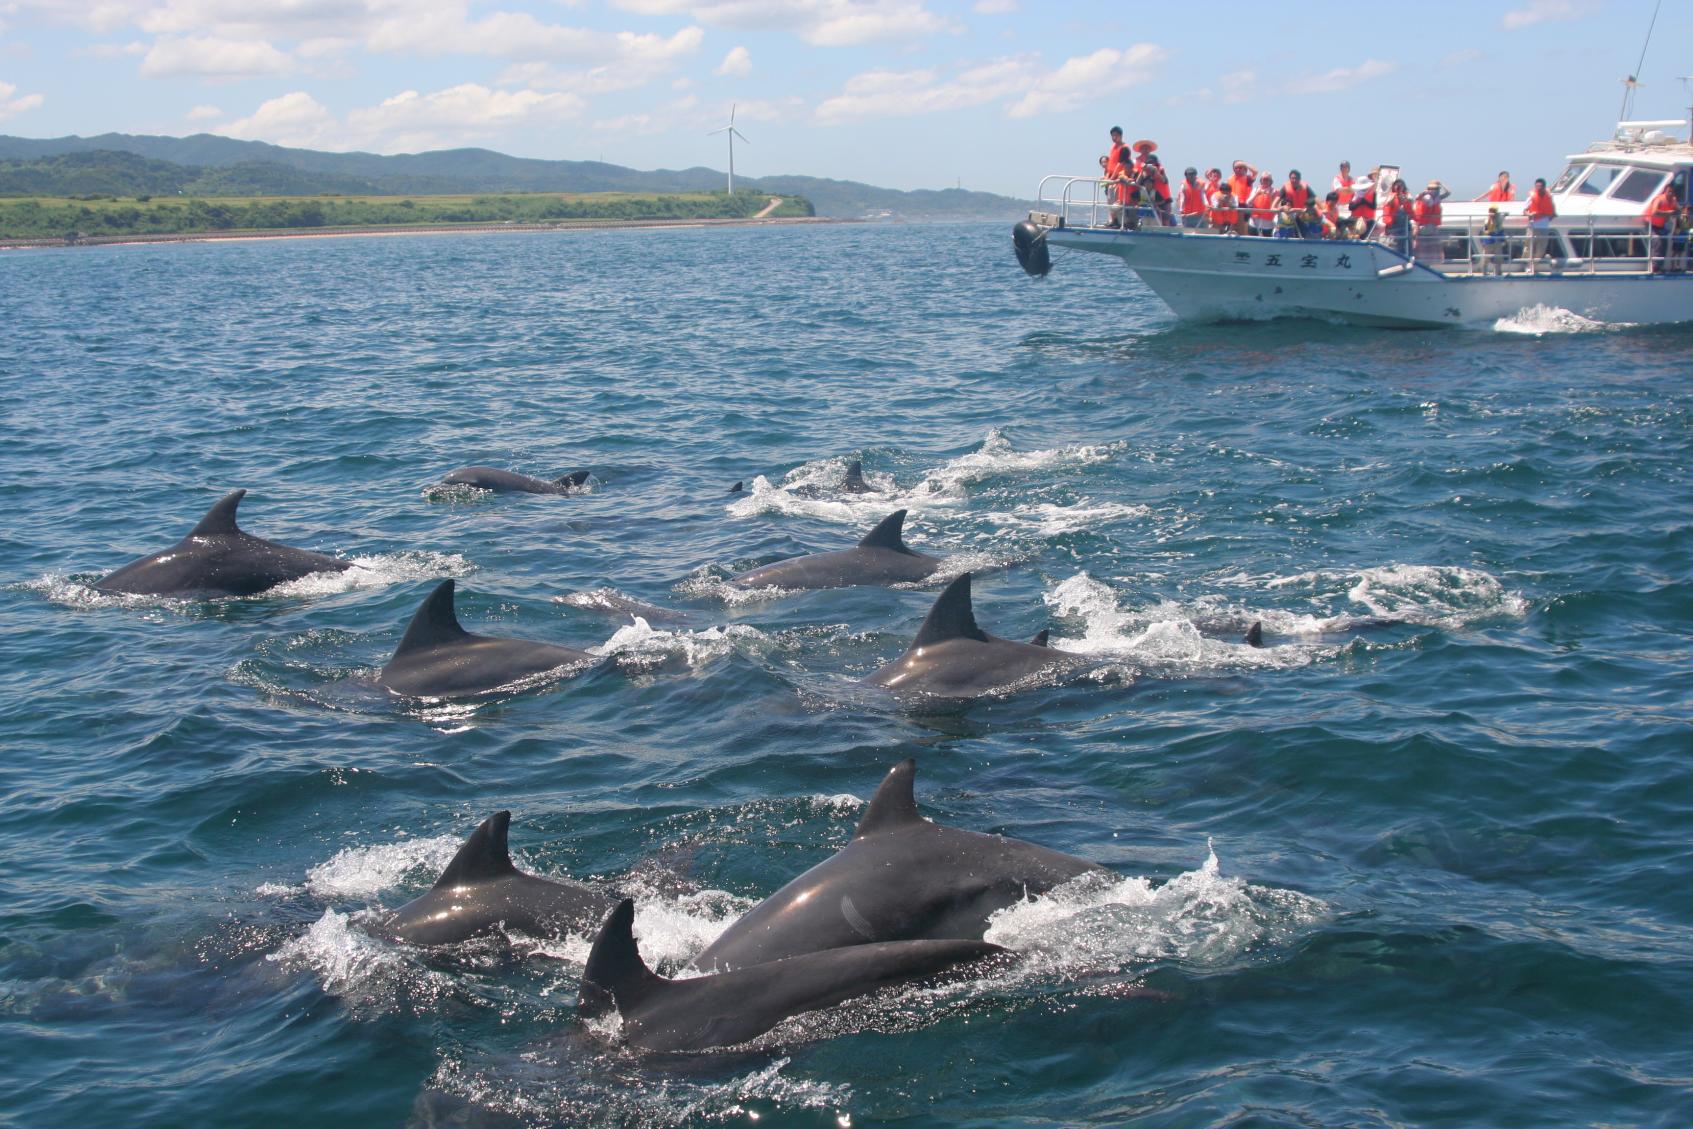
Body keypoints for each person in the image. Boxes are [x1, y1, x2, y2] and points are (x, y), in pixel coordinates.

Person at [1644, 181, 1679, 273]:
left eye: (1672, 192)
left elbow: (1678, 210)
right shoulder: (1659, 199)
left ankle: (1660, 266)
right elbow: (1654, 212)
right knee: (1657, 241)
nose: (1670, 194)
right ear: (1665, 192)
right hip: (1650, 224)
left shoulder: (1673, 200)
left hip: (1661, 225)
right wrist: (1668, 213)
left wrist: (1678, 212)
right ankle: (1654, 267)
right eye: (1669, 192)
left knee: (1665, 242)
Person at [1524, 176, 1556, 274]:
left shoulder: (1549, 197)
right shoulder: (1531, 197)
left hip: (1544, 226)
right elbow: (1525, 211)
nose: (1538, 188)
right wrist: (1529, 214)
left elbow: (1553, 212)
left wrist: (1549, 217)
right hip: (1532, 226)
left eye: (1540, 186)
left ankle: (1534, 265)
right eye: (1536, 186)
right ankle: (1527, 265)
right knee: (1529, 247)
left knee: (1541, 249)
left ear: (1544, 187)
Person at [1412, 179, 1449, 261]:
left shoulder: (1437, 198)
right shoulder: (1426, 197)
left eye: (1437, 189)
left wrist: (1441, 184)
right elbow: (1417, 197)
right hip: (1424, 227)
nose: (1436, 191)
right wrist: (1425, 192)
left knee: (1431, 249)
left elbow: (1448, 193)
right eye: (1434, 189)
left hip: (1433, 226)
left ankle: (1430, 263)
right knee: (1423, 248)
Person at [1378, 178, 1413, 255]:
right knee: (1394, 248)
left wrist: (1405, 201)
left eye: (1401, 185)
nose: (1399, 187)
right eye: (1397, 185)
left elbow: (1411, 213)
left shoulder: (1407, 197)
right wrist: (1394, 197)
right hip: (1393, 230)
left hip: (1405, 229)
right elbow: (1387, 204)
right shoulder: (1390, 196)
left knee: (1407, 248)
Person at [1478, 206, 1507, 276]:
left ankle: (1497, 272)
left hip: (1497, 241)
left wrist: (1503, 240)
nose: (1492, 213)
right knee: (1486, 258)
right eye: (1491, 211)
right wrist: (1483, 242)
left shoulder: (1499, 219)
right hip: (1488, 241)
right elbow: (1484, 231)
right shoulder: (1487, 220)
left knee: (1498, 258)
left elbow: (1500, 229)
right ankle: (1484, 272)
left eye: (1494, 211)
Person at [1247, 173, 1276, 237]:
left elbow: (1275, 206)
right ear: (1261, 180)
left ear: (1271, 181)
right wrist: (1257, 194)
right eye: (1263, 179)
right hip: (1254, 221)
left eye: (1267, 179)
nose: (1265, 181)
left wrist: (1270, 196)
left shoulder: (1274, 191)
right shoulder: (1255, 189)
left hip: (1267, 223)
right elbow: (1248, 202)